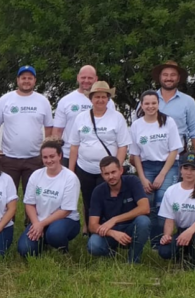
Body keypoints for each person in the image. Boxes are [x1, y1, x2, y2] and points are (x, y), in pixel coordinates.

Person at [67, 81, 131, 234]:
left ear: (108, 99)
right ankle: (91, 232)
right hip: (85, 168)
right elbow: (74, 146)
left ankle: (110, 231)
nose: (100, 100)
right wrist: (70, 171)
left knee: (108, 201)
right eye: (97, 97)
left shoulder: (117, 117)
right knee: (89, 201)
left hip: (109, 170)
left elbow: (123, 145)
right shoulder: (81, 118)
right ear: (91, 99)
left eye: (104, 97)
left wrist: (118, 168)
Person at [0, 65, 54, 211]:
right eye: (23, 78)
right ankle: (5, 226)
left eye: (30, 78)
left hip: (34, 158)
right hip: (8, 158)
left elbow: (49, 128)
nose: (26, 81)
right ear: (17, 80)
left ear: (35, 81)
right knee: (5, 196)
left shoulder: (42, 101)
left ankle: (32, 227)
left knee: (34, 197)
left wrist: (45, 153)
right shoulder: (5, 99)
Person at [129, 90, 183, 248]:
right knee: (149, 205)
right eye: (147, 103)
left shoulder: (168, 122)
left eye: (154, 103)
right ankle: (153, 243)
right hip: (146, 167)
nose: (150, 106)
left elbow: (174, 150)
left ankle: (164, 241)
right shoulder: (136, 125)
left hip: (167, 166)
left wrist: (162, 174)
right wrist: (142, 178)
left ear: (158, 104)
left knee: (163, 204)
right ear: (142, 105)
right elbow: (135, 155)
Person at [16, 139, 81, 257]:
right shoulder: (36, 175)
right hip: (40, 220)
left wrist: (42, 224)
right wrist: (36, 223)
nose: (49, 160)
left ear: (60, 156)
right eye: (45, 157)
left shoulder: (70, 178)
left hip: (66, 220)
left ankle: (62, 251)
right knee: (24, 250)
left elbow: (66, 210)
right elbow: (29, 203)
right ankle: (43, 242)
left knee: (55, 234)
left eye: (52, 156)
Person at [86, 156, 151, 263]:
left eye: (113, 172)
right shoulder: (98, 191)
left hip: (131, 228)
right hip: (110, 231)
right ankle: (112, 254)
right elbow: (92, 226)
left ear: (121, 170)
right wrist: (113, 233)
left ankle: (133, 260)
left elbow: (145, 208)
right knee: (93, 245)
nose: (111, 176)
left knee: (144, 221)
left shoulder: (132, 181)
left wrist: (114, 219)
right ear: (102, 175)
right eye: (106, 174)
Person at [158, 152, 195, 270]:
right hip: (181, 231)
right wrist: (167, 235)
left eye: (193, 169)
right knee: (164, 251)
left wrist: (189, 232)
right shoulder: (171, 191)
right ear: (180, 169)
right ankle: (183, 255)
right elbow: (169, 219)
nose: (189, 172)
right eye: (186, 168)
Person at [51, 65, 116, 167]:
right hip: (68, 154)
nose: (86, 80)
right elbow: (58, 131)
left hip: (98, 157)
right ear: (78, 78)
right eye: (83, 77)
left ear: (96, 79)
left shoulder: (107, 101)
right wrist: (54, 153)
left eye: (90, 78)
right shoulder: (66, 100)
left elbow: (114, 128)